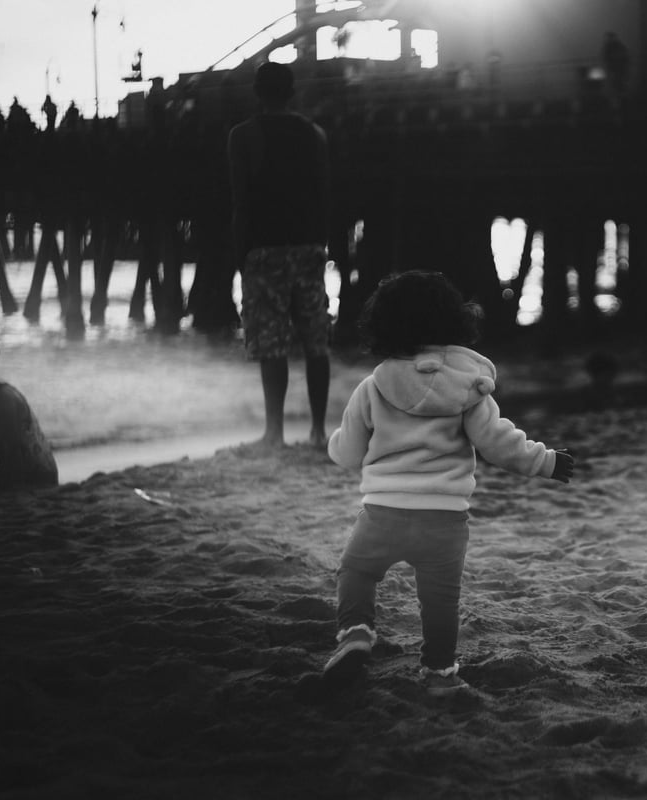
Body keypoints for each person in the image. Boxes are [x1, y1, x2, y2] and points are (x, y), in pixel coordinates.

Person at [324, 271, 575, 694]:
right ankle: (439, 672)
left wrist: (335, 445)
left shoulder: (372, 386)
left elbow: (347, 453)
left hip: (382, 512)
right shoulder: (470, 388)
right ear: (455, 322)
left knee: (356, 571)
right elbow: (499, 443)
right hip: (444, 520)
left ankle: (355, 633)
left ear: (383, 325)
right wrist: (546, 462)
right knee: (440, 601)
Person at [228, 61, 331, 450]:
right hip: (308, 246)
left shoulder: (243, 136)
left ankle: (275, 432)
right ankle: (319, 431)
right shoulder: (315, 135)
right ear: (292, 92)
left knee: (272, 342)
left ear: (257, 92)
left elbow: (241, 202)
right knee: (314, 338)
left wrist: (242, 256)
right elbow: (325, 195)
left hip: (265, 249)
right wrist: (322, 245)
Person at [0, 343, 58, 491]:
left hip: (35, 477)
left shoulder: (2, 401)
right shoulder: (0, 396)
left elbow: (15, 457)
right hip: (30, 472)